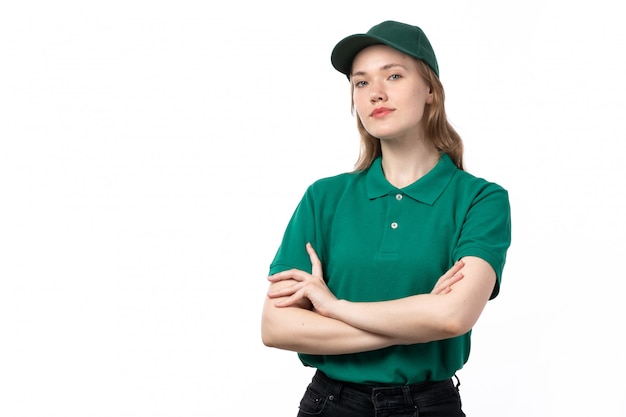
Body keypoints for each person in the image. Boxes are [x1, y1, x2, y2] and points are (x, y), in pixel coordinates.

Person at [261, 20, 511, 417]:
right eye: (361, 83)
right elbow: (277, 328)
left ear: (430, 89)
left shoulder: (481, 199)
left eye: (394, 75)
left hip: (430, 407)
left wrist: (332, 306)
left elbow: (452, 317)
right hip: (332, 405)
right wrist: (418, 318)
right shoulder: (324, 197)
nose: (375, 92)